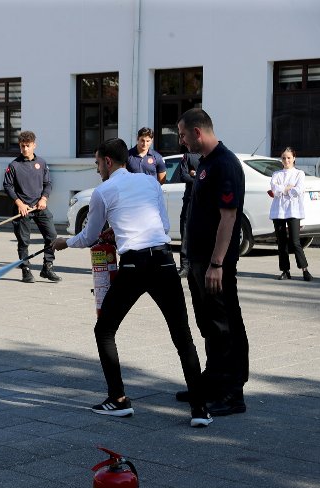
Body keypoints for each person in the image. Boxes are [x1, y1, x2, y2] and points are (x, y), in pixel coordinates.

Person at [52, 138, 212, 428]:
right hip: (163, 261)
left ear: (108, 162)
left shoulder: (103, 191)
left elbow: (89, 236)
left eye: (98, 163)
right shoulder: (150, 183)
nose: (97, 169)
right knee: (182, 336)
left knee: (105, 330)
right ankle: (200, 409)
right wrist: (120, 231)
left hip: (134, 265)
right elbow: (161, 225)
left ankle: (119, 399)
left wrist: (64, 242)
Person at [176, 108, 248, 416]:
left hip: (213, 264)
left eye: (181, 135)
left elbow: (228, 217)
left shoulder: (225, 164)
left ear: (197, 132)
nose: (180, 141)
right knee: (208, 324)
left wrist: (217, 263)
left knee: (224, 326)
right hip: (198, 260)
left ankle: (232, 393)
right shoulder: (205, 162)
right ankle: (213, 380)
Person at [3, 130, 60, 283]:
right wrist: (19, 203)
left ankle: (47, 267)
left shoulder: (41, 163)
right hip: (23, 209)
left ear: (34, 145)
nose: (25, 149)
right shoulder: (14, 165)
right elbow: (7, 186)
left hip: (39, 207)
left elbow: (48, 183)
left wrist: (44, 198)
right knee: (23, 241)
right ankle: (26, 270)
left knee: (52, 236)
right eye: (22, 146)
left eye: (28, 146)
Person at [270, 147, 312, 281]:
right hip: (278, 211)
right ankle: (285, 270)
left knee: (295, 242)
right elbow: (274, 189)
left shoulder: (299, 174)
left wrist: (284, 190)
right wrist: (287, 188)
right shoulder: (276, 174)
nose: (286, 160)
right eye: (283, 158)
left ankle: (304, 269)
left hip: (294, 210)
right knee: (281, 242)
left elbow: (298, 190)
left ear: (294, 158)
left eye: (289, 157)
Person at [177, 149, 200, 278]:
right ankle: (185, 266)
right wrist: (199, 177)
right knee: (185, 234)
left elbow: (211, 176)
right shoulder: (188, 156)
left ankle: (198, 265)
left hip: (204, 201)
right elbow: (183, 176)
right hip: (189, 200)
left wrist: (194, 174)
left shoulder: (209, 155)